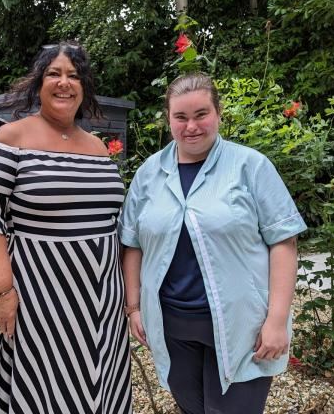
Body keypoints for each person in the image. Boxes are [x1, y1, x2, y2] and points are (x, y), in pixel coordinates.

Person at [0, 42, 132, 414]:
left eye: (73, 75)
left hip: (103, 302)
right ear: (38, 83)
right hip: (41, 301)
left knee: (102, 384)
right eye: (54, 74)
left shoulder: (98, 148)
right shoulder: (11, 138)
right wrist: (1, 293)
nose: (64, 83)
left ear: (84, 86)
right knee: (45, 389)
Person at [119, 72, 306, 414]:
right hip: (173, 327)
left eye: (201, 114)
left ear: (218, 114)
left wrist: (277, 320)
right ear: (169, 119)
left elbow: (284, 243)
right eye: (181, 117)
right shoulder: (149, 174)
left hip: (243, 327)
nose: (191, 126)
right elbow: (132, 243)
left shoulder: (251, 167)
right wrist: (133, 307)